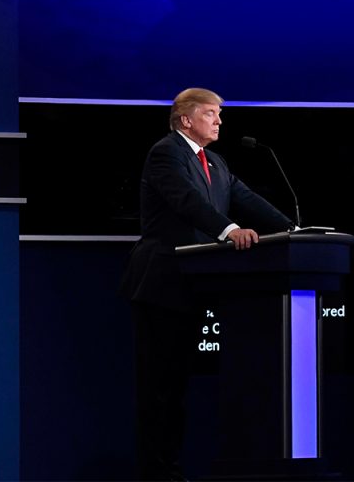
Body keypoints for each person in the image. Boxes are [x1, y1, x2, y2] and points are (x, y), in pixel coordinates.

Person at [119, 88, 293, 481]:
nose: (219, 121)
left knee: (177, 390)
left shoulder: (214, 161)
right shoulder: (166, 153)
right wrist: (229, 229)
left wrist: (294, 231)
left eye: (219, 115)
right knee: (158, 390)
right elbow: (187, 201)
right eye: (212, 114)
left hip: (193, 284)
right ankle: (156, 473)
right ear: (186, 120)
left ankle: (170, 470)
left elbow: (246, 198)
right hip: (161, 283)